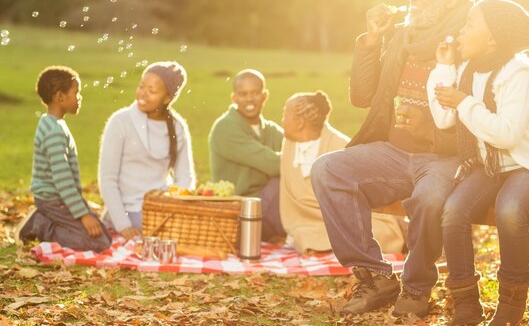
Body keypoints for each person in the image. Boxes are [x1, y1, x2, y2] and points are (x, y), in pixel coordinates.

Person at [310, 0, 472, 316]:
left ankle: (416, 288)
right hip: (393, 154)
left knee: (430, 198)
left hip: (444, 158)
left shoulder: (467, 42)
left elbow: (479, 114)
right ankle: (374, 277)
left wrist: (427, 127)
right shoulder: (403, 36)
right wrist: (372, 39)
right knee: (328, 170)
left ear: (451, 0)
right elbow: (363, 96)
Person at [428, 0, 529, 326]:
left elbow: (509, 134)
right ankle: (466, 301)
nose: (460, 30)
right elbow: (444, 118)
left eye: (470, 24)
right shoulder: (464, 71)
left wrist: (465, 103)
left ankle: (512, 303)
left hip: (525, 169)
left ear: (493, 38)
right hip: (489, 169)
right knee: (454, 211)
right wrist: (443, 68)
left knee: (509, 208)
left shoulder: (517, 75)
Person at [280, 91, 405, 255]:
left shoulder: (342, 148)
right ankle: (341, 246)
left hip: (349, 219)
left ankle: (337, 246)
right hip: (309, 223)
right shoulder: (289, 146)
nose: (282, 121)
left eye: (285, 115)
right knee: (303, 234)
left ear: (299, 123)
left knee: (377, 231)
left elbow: (372, 190)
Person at [15, 66, 111, 252]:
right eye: (76, 92)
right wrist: (83, 214)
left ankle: (46, 220)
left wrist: (83, 210)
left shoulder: (49, 122)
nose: (79, 97)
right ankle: (40, 225)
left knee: (102, 234)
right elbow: (62, 180)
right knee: (99, 243)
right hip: (54, 199)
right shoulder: (55, 133)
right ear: (60, 97)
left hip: (59, 198)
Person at [99, 61, 195, 240]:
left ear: (167, 98)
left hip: (161, 208)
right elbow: (107, 179)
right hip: (127, 210)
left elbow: (185, 177)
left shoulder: (177, 127)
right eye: (142, 86)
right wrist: (123, 225)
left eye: (152, 91)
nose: (143, 93)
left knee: (198, 228)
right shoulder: (121, 122)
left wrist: (177, 208)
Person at [209, 69, 285, 242]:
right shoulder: (225, 128)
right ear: (234, 98)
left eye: (255, 93)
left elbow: (296, 148)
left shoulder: (271, 130)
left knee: (308, 176)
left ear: (265, 96)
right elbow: (274, 164)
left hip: (264, 205)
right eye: (243, 94)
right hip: (238, 212)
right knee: (287, 179)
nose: (249, 99)